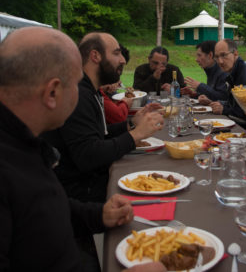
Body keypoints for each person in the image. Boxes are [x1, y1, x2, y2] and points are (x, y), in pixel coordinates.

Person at [0, 26, 165, 272]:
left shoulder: (24, 145)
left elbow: (46, 204)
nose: (82, 93)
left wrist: (98, 215)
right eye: (77, 84)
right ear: (53, 93)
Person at [42, 33, 164, 203]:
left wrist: (130, 124)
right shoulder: (77, 94)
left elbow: (97, 134)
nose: (122, 60)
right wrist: (135, 135)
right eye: (116, 53)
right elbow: (88, 155)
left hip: (86, 185)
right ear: (95, 56)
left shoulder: (89, 90)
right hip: (78, 196)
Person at [203, 39, 246, 118]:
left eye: (224, 55)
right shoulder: (235, 71)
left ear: (235, 53)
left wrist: (224, 110)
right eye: (216, 57)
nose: (220, 61)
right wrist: (218, 103)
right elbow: (235, 104)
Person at [100, 44, 133, 124]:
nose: (120, 71)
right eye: (119, 66)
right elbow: (118, 116)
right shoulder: (91, 90)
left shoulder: (100, 88)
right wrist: (125, 102)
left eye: (122, 67)